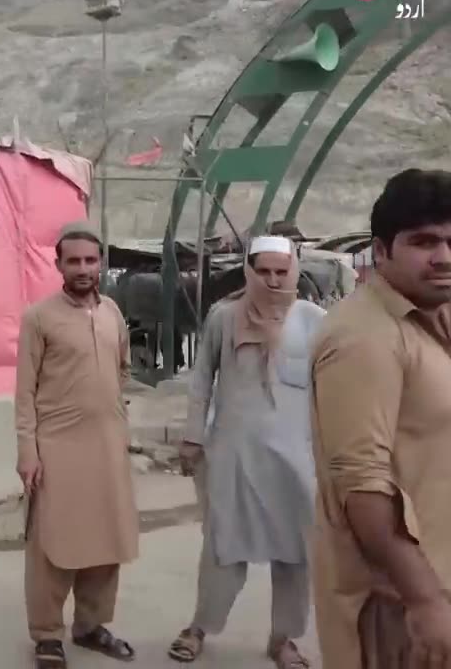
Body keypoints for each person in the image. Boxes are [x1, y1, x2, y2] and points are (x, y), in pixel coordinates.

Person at [309, 169, 451, 668]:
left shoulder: (438, 316)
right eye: (424, 242)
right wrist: (425, 602)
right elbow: (362, 485)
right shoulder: (365, 338)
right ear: (382, 252)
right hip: (404, 599)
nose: (445, 257)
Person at [170, 235, 324, 668]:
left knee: (297, 551)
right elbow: (202, 380)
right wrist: (192, 436)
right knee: (223, 543)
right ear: (249, 272)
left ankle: (284, 639)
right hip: (234, 453)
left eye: (282, 271)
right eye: (265, 271)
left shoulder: (314, 320)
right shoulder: (223, 317)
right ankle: (199, 626)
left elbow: (331, 388)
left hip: (297, 456)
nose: (274, 280)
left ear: (294, 270)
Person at [15, 221, 138, 669]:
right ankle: (47, 634)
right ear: (59, 264)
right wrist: (28, 450)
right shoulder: (39, 318)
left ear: (100, 263)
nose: (84, 268)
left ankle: (90, 626)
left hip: (107, 446)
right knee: (53, 543)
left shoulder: (113, 313)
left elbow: (122, 370)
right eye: (74, 260)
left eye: (91, 260)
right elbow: (24, 392)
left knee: (106, 539)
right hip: (56, 447)